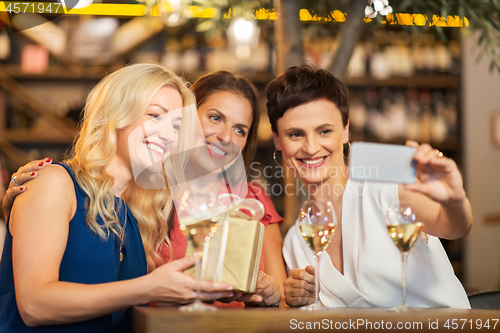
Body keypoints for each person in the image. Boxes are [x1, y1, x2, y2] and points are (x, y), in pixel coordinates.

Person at [2, 71, 286, 308]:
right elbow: (33, 304)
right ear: (118, 112)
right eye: (154, 115)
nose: (168, 133)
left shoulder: (137, 208)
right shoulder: (57, 182)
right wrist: (149, 288)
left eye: (177, 125)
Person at [265, 65, 472, 308]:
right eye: (295, 134)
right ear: (277, 140)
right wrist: (295, 301)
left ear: (345, 131)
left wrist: (454, 200)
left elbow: (454, 226)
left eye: (324, 131)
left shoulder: (381, 182)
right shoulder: (296, 241)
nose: (311, 148)